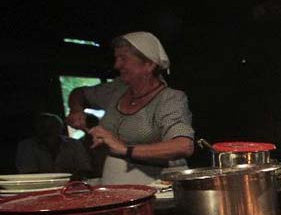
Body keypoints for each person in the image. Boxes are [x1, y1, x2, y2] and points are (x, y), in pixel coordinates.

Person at [66, 32, 194, 184]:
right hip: (116, 188)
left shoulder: (170, 99)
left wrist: (125, 149)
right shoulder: (117, 90)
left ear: (149, 64)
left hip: (157, 190)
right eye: (117, 58)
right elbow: (78, 93)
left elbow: (183, 146)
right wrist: (76, 110)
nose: (117, 65)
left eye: (123, 58)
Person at [15, 112, 93, 176]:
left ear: (60, 128)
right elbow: (27, 173)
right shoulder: (27, 146)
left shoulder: (74, 144)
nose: (48, 130)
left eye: (52, 126)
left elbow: (85, 169)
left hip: (71, 186)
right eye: (43, 127)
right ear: (36, 128)